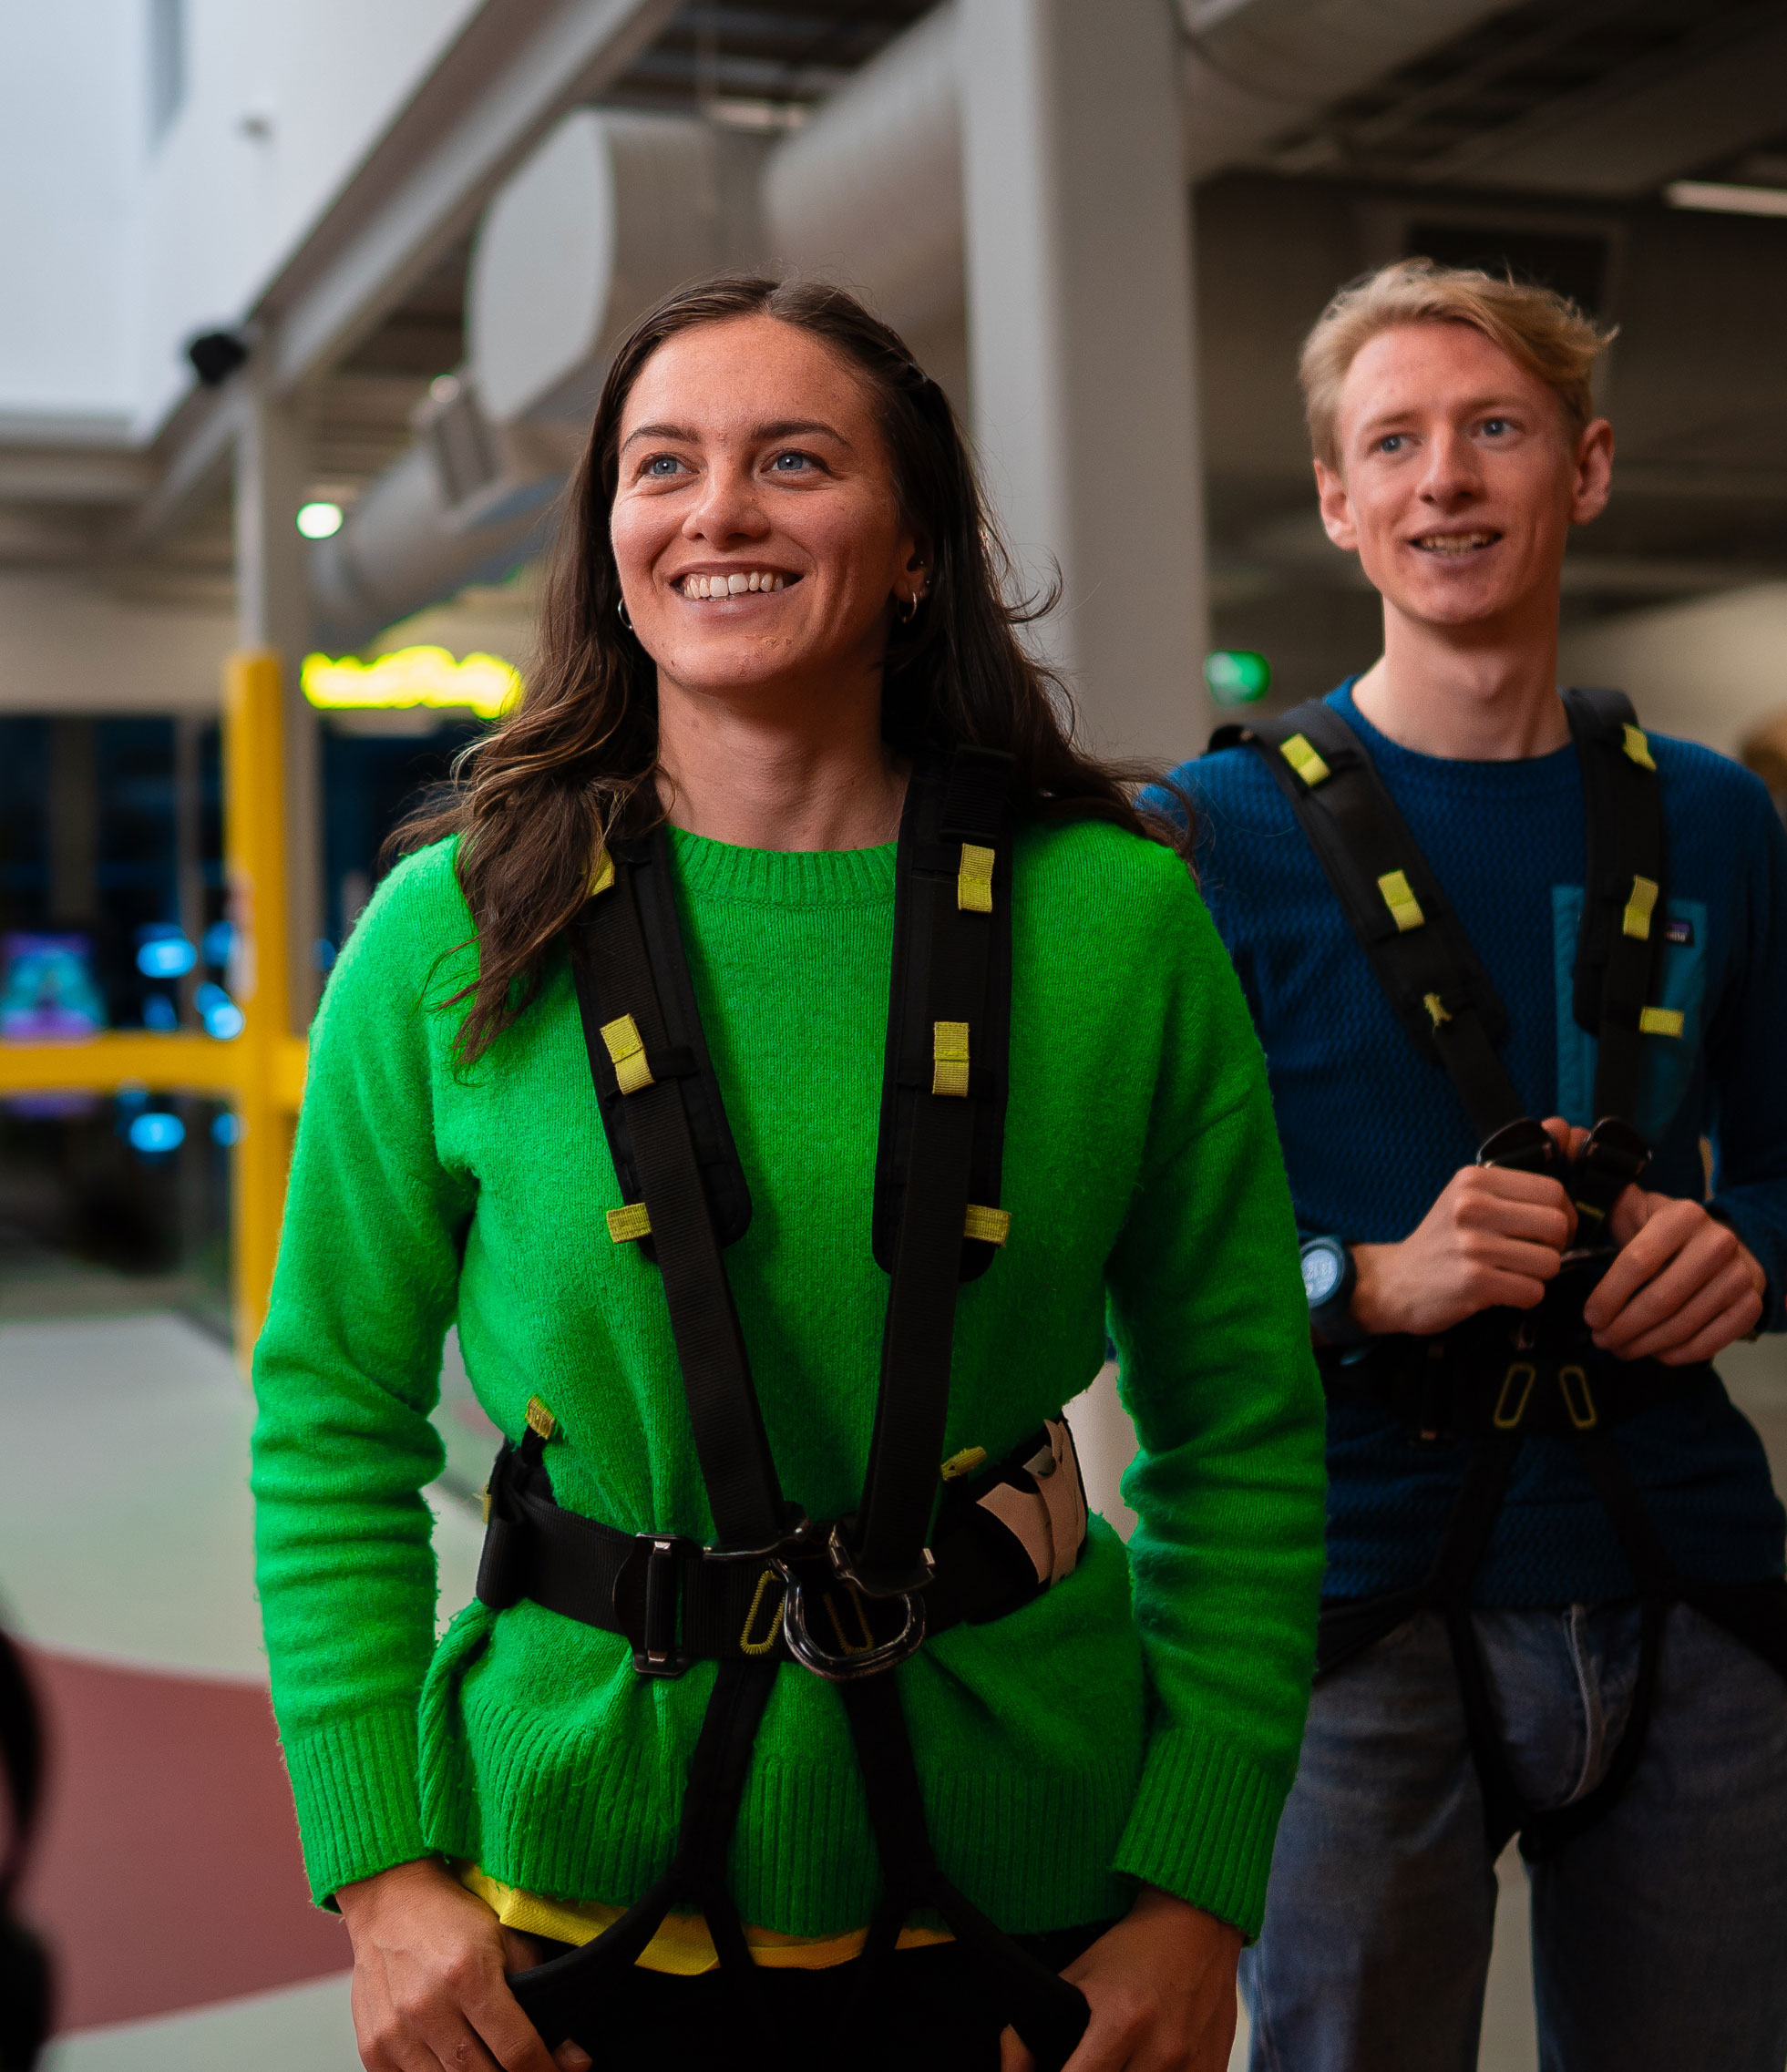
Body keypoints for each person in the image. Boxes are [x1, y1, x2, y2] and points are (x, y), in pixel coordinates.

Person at [251, 275, 1326, 2072]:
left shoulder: (1118, 920)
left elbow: (1243, 1427)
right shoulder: (457, 931)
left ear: (912, 549)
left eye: (794, 460)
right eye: (662, 466)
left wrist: (1197, 1892)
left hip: (1032, 1908)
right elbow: (327, 1422)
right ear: (609, 545)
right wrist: (381, 1877)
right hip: (568, 1915)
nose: (719, 513)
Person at [1160, 258, 1787, 2072]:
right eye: (1396, 443)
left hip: (1690, 1578)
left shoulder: (1718, 820)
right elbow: (1115, 1258)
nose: (1446, 478)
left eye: (1493, 428)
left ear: (1581, 470)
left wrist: (1750, 1246)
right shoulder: (1205, 841)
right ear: (1342, 505)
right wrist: (1361, 1280)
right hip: (1353, 1601)